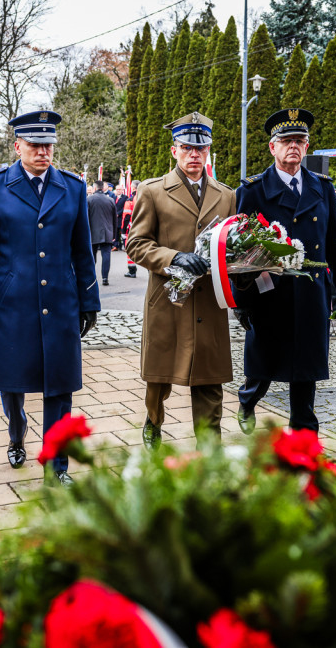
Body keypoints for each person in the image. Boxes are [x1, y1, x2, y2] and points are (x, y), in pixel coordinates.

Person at [0, 109, 100, 486]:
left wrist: (89, 300)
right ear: (18, 145)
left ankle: (56, 468)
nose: (43, 151)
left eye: (49, 144)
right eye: (35, 144)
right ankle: (16, 427)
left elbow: (82, 250)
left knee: (60, 385)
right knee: (13, 381)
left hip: (60, 300)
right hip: (14, 302)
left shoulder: (72, 187)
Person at [231, 108, 336, 434]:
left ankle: (305, 434)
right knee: (263, 365)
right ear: (272, 147)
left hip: (312, 295)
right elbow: (239, 253)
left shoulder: (322, 188)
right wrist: (240, 301)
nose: (294, 147)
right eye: (286, 141)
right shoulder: (253, 191)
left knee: (306, 368)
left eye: (300, 141)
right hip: (270, 294)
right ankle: (248, 399)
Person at [126, 112, 236, 450]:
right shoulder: (152, 191)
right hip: (168, 298)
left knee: (209, 378)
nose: (194, 155)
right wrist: (174, 258)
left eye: (200, 149)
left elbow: (230, 245)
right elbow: (136, 244)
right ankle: (153, 420)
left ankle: (209, 445)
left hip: (208, 300)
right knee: (159, 377)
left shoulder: (226, 195)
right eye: (187, 148)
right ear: (174, 151)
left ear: (208, 152)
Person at [88, 179, 117, 286]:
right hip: (107, 232)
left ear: (94, 188)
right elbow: (115, 219)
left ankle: (91, 277)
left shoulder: (89, 199)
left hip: (92, 232)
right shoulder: (110, 200)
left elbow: (86, 218)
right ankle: (105, 278)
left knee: (92, 255)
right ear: (103, 188)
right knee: (106, 255)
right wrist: (114, 234)